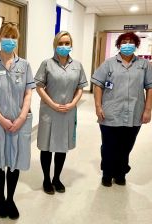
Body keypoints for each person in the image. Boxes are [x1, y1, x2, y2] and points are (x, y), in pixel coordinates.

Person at [0, 22, 35, 220]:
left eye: (13, 37)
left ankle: (10, 199)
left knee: (14, 162)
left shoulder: (25, 65)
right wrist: (1, 119)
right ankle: (0, 198)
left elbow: (28, 94)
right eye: (6, 36)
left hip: (20, 123)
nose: (9, 40)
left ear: (17, 40)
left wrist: (21, 118)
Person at [91, 32, 152, 187]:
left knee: (126, 146)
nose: (127, 44)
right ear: (119, 45)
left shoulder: (143, 65)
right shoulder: (109, 64)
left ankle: (121, 173)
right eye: (124, 41)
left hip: (134, 113)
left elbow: (151, 88)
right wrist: (98, 106)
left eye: (130, 42)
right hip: (110, 113)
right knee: (108, 146)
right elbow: (98, 85)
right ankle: (107, 174)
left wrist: (148, 110)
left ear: (136, 45)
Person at [34, 31, 88, 195]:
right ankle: (46, 179)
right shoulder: (47, 64)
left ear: (71, 45)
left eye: (67, 43)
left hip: (67, 112)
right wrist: (52, 104)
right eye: (61, 43)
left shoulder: (77, 65)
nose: (64, 46)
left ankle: (56, 178)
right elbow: (39, 86)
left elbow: (80, 87)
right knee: (46, 146)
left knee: (61, 146)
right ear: (55, 45)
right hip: (49, 111)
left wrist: (73, 103)